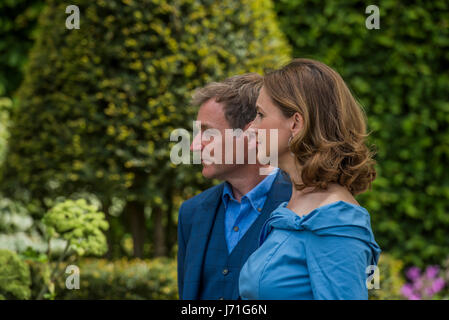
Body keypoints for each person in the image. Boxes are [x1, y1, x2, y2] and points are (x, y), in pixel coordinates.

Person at [239, 58, 382, 300]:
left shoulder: (337, 223)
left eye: (261, 115)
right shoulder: (297, 205)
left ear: (296, 123)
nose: (250, 128)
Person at [177, 73, 292, 300]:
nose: (194, 146)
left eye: (207, 132)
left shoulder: (303, 206)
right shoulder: (191, 213)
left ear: (251, 134)